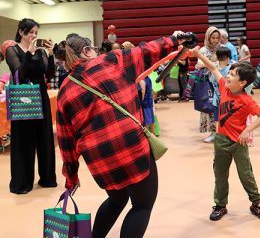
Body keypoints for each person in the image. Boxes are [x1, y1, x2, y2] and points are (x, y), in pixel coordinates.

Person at [56, 32, 186, 238]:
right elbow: (146, 50)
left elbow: (65, 140)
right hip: (132, 147)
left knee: (117, 200)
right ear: (87, 51)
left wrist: (71, 177)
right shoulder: (112, 61)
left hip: (100, 161)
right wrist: (176, 40)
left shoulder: (64, 91)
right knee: (142, 205)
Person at [191, 46, 260, 222]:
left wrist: (247, 130)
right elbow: (213, 68)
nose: (227, 75)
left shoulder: (247, 100)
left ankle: (256, 203)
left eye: (232, 74)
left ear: (242, 83)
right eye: (229, 73)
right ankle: (220, 205)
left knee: (246, 175)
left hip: (238, 143)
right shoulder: (224, 88)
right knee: (220, 174)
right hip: (221, 140)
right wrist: (198, 54)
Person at [5, 18, 57, 194]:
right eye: (31, 32)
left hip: (41, 96)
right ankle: (22, 182)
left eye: (36, 32)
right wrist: (28, 54)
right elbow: (19, 74)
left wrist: (50, 55)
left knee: (45, 139)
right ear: (21, 32)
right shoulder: (12, 50)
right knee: (23, 141)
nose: (34, 35)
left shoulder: (41, 52)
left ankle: (47, 178)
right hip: (23, 98)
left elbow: (49, 76)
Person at [195, 26, 220, 142]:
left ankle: (221, 132)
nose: (215, 40)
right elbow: (199, 64)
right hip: (207, 83)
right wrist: (213, 63)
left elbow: (227, 62)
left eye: (217, 38)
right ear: (208, 38)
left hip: (221, 82)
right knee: (209, 107)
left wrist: (208, 63)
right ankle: (212, 132)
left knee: (220, 107)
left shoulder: (222, 48)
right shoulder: (203, 50)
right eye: (213, 38)